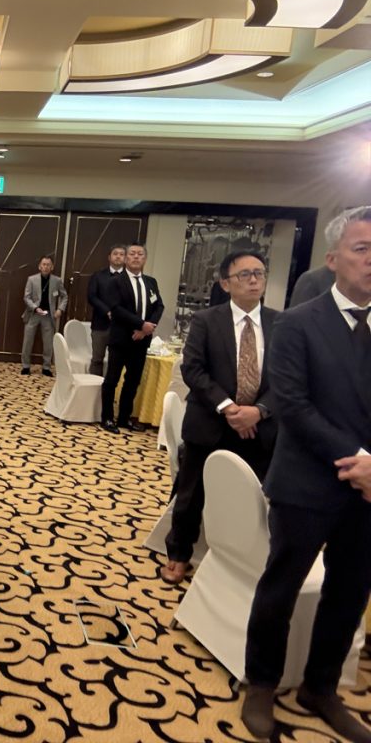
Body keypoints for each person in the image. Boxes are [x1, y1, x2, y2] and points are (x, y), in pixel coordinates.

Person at [242, 206, 371, 743]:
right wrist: (360, 459)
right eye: (363, 249)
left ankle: (321, 687)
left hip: (368, 492)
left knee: (351, 592)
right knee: (281, 588)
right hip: (307, 483)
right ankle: (261, 684)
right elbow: (294, 407)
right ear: (334, 259)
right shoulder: (297, 323)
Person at [159, 251, 278, 585]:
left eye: (259, 273)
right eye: (245, 275)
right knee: (191, 494)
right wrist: (228, 408)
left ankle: (242, 558)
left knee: (257, 499)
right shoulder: (207, 320)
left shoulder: (281, 323)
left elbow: (290, 377)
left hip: (260, 428)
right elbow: (193, 370)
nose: (254, 280)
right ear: (226, 284)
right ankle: (178, 554)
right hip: (211, 423)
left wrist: (258, 411)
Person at [100, 243, 164, 433]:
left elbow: (159, 306)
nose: (136, 257)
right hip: (121, 339)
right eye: (132, 254)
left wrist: (146, 329)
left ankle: (124, 418)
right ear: (126, 258)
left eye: (140, 254)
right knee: (112, 380)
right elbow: (116, 309)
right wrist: (140, 324)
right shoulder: (116, 282)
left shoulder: (151, 282)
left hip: (141, 341)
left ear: (145, 258)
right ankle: (107, 418)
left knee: (133, 381)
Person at [20, 254, 67, 377]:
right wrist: (35, 308)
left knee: (48, 343)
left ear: (52, 267)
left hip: (48, 315)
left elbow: (64, 296)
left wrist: (60, 309)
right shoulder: (31, 279)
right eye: (44, 264)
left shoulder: (57, 281)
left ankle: (46, 367)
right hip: (33, 314)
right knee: (27, 341)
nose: (46, 267)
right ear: (39, 266)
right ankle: (25, 366)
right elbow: (26, 297)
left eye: (48, 265)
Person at [86, 244, 126, 375]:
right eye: (115, 254)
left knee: (116, 361)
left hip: (121, 326)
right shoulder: (98, 275)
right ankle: (94, 386)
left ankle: (110, 387)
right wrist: (107, 311)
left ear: (125, 258)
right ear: (109, 257)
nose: (118, 257)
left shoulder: (129, 278)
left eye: (121, 254)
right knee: (97, 359)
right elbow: (92, 296)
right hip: (100, 324)